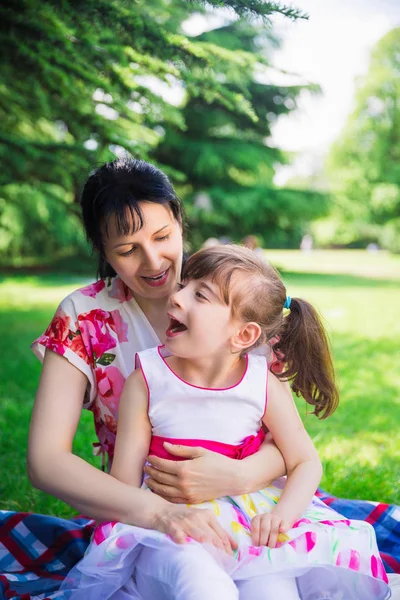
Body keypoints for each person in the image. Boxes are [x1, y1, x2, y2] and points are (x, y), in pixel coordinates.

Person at [61, 244, 389, 600]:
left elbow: (305, 460)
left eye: (199, 295)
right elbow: (123, 481)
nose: (177, 297)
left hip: (249, 524)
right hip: (172, 531)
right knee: (203, 585)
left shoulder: (262, 383)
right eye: (184, 284)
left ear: (243, 335)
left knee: (273, 590)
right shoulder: (148, 380)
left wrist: (282, 516)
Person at [27, 158, 287, 554]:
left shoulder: (234, 292)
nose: (152, 262)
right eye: (128, 249)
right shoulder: (83, 316)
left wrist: (239, 475)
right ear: (103, 251)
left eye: (163, 236)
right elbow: (45, 461)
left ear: (180, 222)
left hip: (250, 508)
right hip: (138, 512)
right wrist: (158, 513)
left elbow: (287, 441)